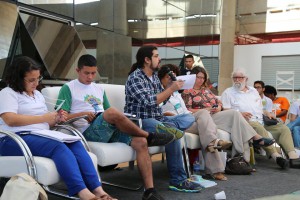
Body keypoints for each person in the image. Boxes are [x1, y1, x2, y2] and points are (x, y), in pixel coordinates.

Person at [57, 54, 176, 200]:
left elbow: (109, 112)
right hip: (86, 131)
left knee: (140, 142)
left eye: (93, 73)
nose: (90, 77)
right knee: (113, 112)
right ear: (77, 70)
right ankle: (149, 135)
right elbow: (59, 118)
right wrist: (82, 114)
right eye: (86, 73)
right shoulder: (68, 88)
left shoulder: (98, 89)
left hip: (107, 127)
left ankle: (149, 191)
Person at [0, 56, 116, 200]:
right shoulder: (8, 93)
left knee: (75, 142)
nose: (36, 83)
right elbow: (9, 119)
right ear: (18, 78)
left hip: (39, 135)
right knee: (58, 147)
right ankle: (83, 192)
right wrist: (44, 118)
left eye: (38, 78)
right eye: (31, 80)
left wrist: (56, 119)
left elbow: (45, 123)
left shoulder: (37, 94)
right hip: (14, 139)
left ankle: (98, 190)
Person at [125, 45, 202, 193]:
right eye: (156, 56)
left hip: (158, 119)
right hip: (141, 121)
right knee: (172, 133)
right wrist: (170, 89)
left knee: (188, 118)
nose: (159, 59)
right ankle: (178, 180)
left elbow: (162, 101)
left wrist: (170, 86)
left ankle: (163, 133)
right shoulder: (135, 78)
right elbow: (150, 102)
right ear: (147, 60)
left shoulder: (154, 77)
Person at [180, 66, 274, 167]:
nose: (201, 80)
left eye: (203, 78)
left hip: (216, 114)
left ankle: (242, 159)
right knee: (236, 117)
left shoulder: (206, 90)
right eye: (199, 77)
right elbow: (187, 110)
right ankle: (254, 141)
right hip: (204, 118)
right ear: (193, 77)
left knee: (236, 117)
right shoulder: (187, 91)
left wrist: (218, 107)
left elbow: (219, 102)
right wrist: (206, 110)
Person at [159, 64, 233, 181]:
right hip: (175, 122)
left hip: (187, 119)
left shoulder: (177, 93)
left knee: (204, 118)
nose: (171, 79)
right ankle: (215, 167)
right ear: (161, 78)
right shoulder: (159, 93)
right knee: (206, 127)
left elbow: (185, 110)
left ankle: (212, 144)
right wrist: (175, 116)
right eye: (168, 77)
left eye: (174, 76)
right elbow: (160, 112)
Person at [221, 68, 300, 169]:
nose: (237, 80)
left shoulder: (253, 91)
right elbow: (225, 109)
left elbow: (260, 107)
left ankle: (293, 157)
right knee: (257, 126)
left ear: (246, 79)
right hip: (245, 123)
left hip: (262, 121)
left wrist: (267, 112)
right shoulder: (228, 92)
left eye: (240, 77)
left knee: (283, 128)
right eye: (235, 77)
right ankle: (277, 157)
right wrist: (239, 113)